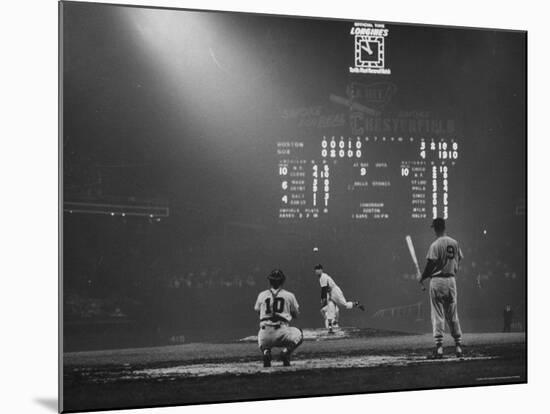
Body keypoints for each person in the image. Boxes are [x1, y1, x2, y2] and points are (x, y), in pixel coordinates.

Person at [418, 218, 464, 359]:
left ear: (435, 228)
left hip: (437, 281)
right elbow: (459, 258)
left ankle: (439, 349)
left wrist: (422, 277)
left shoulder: (435, 244)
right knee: (453, 314)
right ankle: (458, 346)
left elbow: (430, 265)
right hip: (451, 280)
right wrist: (450, 266)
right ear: (444, 227)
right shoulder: (454, 242)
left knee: (438, 314)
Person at [254, 269, 303, 367]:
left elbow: (258, 312)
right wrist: (287, 312)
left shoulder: (262, 295)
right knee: (300, 334)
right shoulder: (289, 295)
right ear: (282, 281)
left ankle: (266, 352)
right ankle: (286, 352)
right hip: (281, 331)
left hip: (265, 333)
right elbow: (296, 315)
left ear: (270, 281)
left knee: (261, 336)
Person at [314, 264, 365, 334]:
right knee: (330, 309)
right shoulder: (320, 278)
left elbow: (324, 289)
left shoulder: (323, 276)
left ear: (321, 270)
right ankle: (330, 329)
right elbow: (324, 290)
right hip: (330, 293)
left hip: (335, 291)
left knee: (344, 304)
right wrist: (325, 298)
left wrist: (323, 299)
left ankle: (356, 304)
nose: (316, 271)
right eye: (316, 269)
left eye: (318, 269)